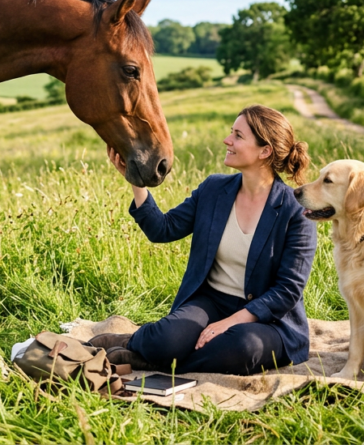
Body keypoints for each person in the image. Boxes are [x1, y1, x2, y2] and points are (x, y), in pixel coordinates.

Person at [92, 105, 317, 375]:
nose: (227, 140)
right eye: (231, 132)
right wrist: (136, 182)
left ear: (264, 151)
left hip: (269, 320)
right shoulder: (214, 189)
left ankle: (159, 360)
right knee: (168, 338)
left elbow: (288, 290)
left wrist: (230, 322)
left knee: (243, 347)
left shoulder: (296, 210)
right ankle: (139, 343)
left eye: (238, 136)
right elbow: (163, 229)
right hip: (212, 302)